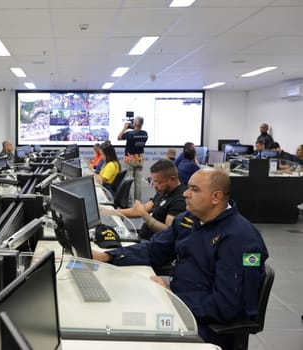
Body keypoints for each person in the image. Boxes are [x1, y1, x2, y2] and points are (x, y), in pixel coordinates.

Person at [93, 168, 269, 349]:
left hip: (205, 327)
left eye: (194, 189)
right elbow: (155, 250)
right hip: (180, 305)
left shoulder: (241, 239)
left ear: (216, 197)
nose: (185, 193)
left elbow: (226, 306)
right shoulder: (189, 220)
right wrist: (108, 256)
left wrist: (173, 298)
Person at [103, 159, 186, 240]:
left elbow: (169, 232)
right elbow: (139, 210)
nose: (155, 186)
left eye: (158, 182)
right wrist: (110, 212)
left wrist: (143, 214)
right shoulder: (163, 191)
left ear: (172, 179)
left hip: (152, 245)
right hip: (142, 238)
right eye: (153, 182)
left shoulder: (180, 199)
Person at [118, 116, 148, 202]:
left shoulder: (130, 134)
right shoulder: (145, 134)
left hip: (130, 157)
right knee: (138, 182)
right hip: (140, 157)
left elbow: (119, 137)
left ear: (134, 123)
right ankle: (138, 201)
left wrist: (124, 128)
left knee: (129, 180)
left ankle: (130, 201)